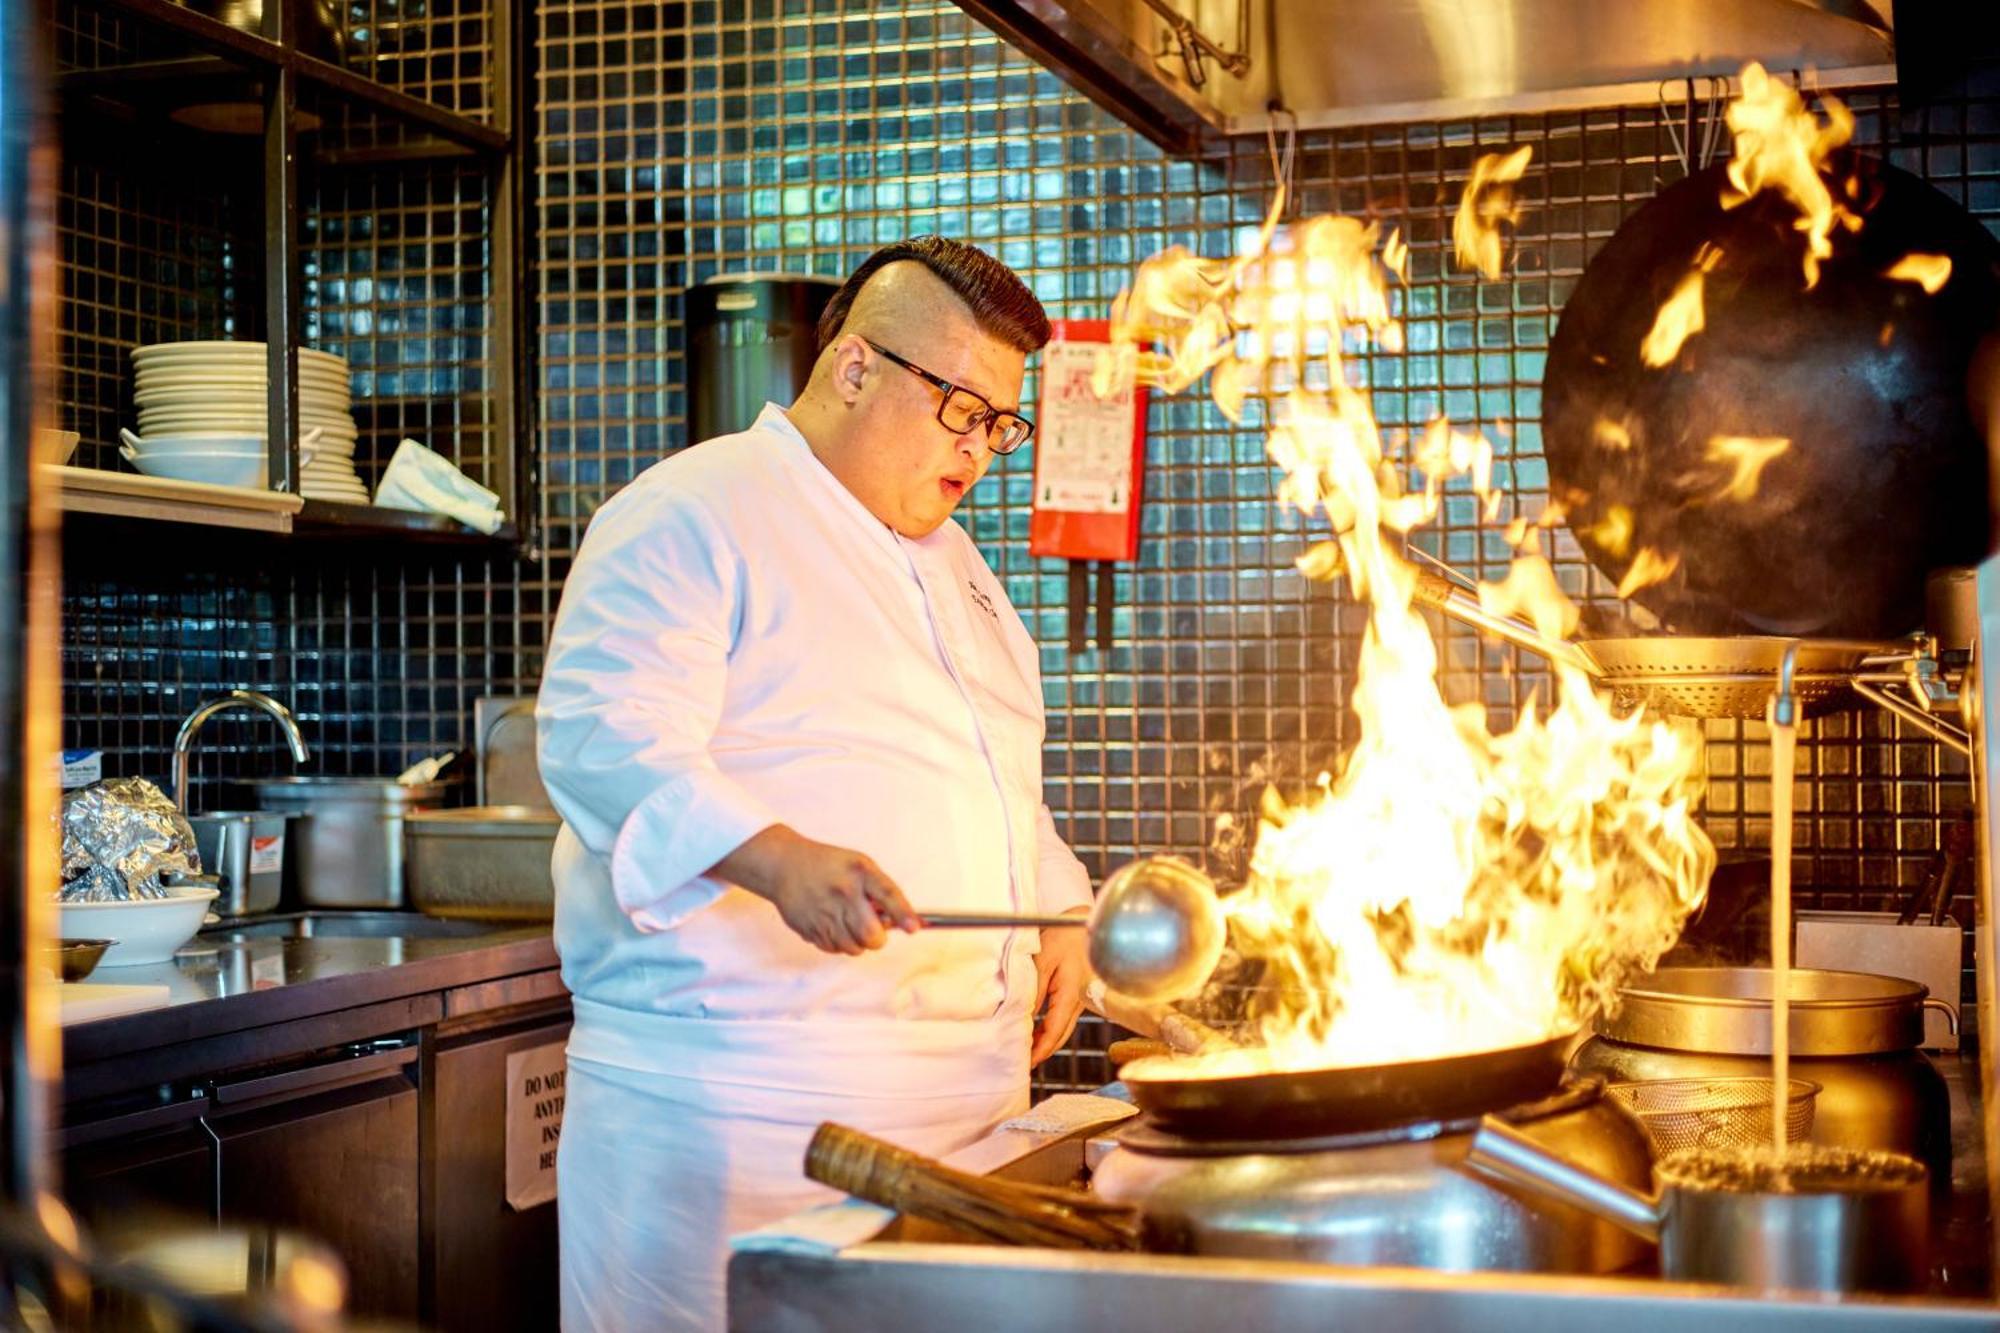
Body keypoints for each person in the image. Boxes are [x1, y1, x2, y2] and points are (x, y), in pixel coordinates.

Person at [537, 235, 1095, 1333]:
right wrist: (777, 859)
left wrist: (1061, 909)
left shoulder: (961, 570)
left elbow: (994, 778)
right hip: (747, 1123)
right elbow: (603, 736)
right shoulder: (693, 510)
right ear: (853, 369)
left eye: (1001, 423)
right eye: (963, 410)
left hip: (961, 1120)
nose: (982, 449)